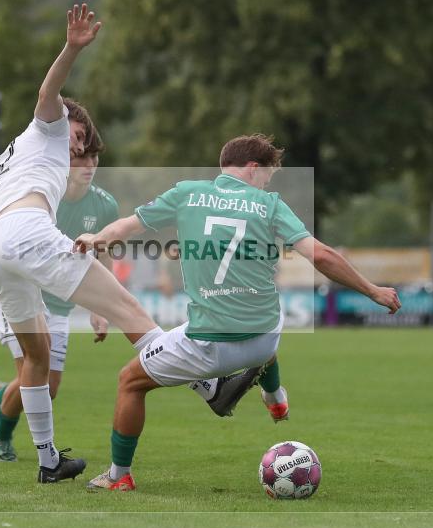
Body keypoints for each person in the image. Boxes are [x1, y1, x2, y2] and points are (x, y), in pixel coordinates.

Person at [0, 4, 166, 484]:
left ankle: (48, 462)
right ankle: (210, 382)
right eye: (77, 134)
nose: (77, 146)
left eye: (83, 141)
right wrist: (72, 47)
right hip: (27, 237)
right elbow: (48, 92)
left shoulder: (6, 168)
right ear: (64, 122)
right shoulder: (48, 125)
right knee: (129, 307)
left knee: (38, 359)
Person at [75, 134, 402, 491]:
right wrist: (373, 290)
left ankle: (118, 474)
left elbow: (128, 225)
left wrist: (97, 239)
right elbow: (321, 256)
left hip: (210, 344)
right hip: (264, 340)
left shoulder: (187, 193)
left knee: (130, 381)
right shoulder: (270, 204)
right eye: (267, 177)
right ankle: (274, 398)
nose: (266, 184)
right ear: (252, 168)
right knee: (224, 318)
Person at [0, 134, 118, 463]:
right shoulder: (41, 193)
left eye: (94, 159)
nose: (89, 165)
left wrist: (100, 308)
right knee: (31, 369)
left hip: (59, 304)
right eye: (82, 158)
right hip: (21, 293)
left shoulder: (105, 205)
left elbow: (104, 253)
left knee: (48, 388)